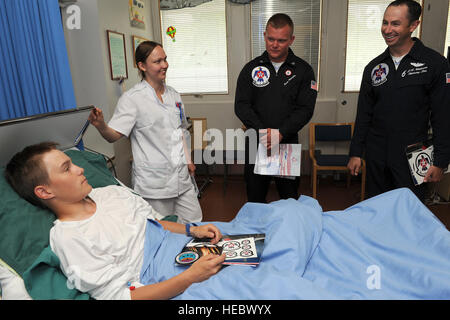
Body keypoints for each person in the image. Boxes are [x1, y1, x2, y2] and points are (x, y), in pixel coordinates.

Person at [4, 142, 225, 300]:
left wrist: (191, 230)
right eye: (67, 169)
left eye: (73, 163)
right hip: (165, 278)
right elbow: (122, 296)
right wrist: (190, 277)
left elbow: (152, 223)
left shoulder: (111, 193)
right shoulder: (70, 237)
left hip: (183, 246)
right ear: (44, 191)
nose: (80, 169)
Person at [88, 41, 202, 224]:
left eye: (165, 60)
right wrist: (101, 125)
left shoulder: (174, 95)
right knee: (164, 230)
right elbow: (113, 136)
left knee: (195, 224)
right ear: (142, 66)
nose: (164, 65)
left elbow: (180, 130)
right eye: (157, 61)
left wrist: (188, 160)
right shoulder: (132, 99)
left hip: (182, 178)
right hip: (154, 184)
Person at [347, 0, 450, 201]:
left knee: (410, 212)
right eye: (385, 23)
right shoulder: (374, 68)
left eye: (395, 24)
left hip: (412, 156)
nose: (387, 29)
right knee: (376, 209)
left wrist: (440, 161)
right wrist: (356, 153)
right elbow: (364, 115)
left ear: (413, 26)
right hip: (377, 155)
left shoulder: (434, 64)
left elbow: (443, 117)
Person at [234, 13, 317, 203]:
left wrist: (281, 132)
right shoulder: (250, 69)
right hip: (257, 144)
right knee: (255, 198)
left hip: (286, 144)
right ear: (264, 35)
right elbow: (241, 106)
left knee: (289, 199)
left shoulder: (303, 70)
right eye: (271, 39)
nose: (274, 44)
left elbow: (305, 109)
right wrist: (264, 132)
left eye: (281, 40)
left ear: (291, 40)